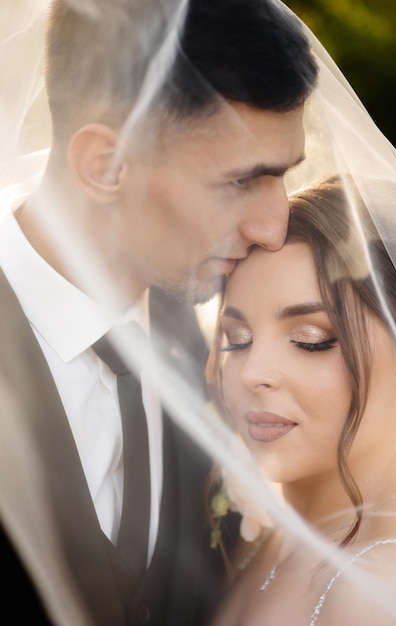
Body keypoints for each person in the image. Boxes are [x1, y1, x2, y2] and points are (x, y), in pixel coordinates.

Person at [0, 0, 318, 625]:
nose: (274, 228)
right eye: (240, 182)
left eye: (283, 178)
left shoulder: (213, 342)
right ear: (105, 166)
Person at [207, 175, 396, 625]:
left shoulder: (388, 593)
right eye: (236, 340)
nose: (252, 372)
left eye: (311, 340)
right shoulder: (258, 542)